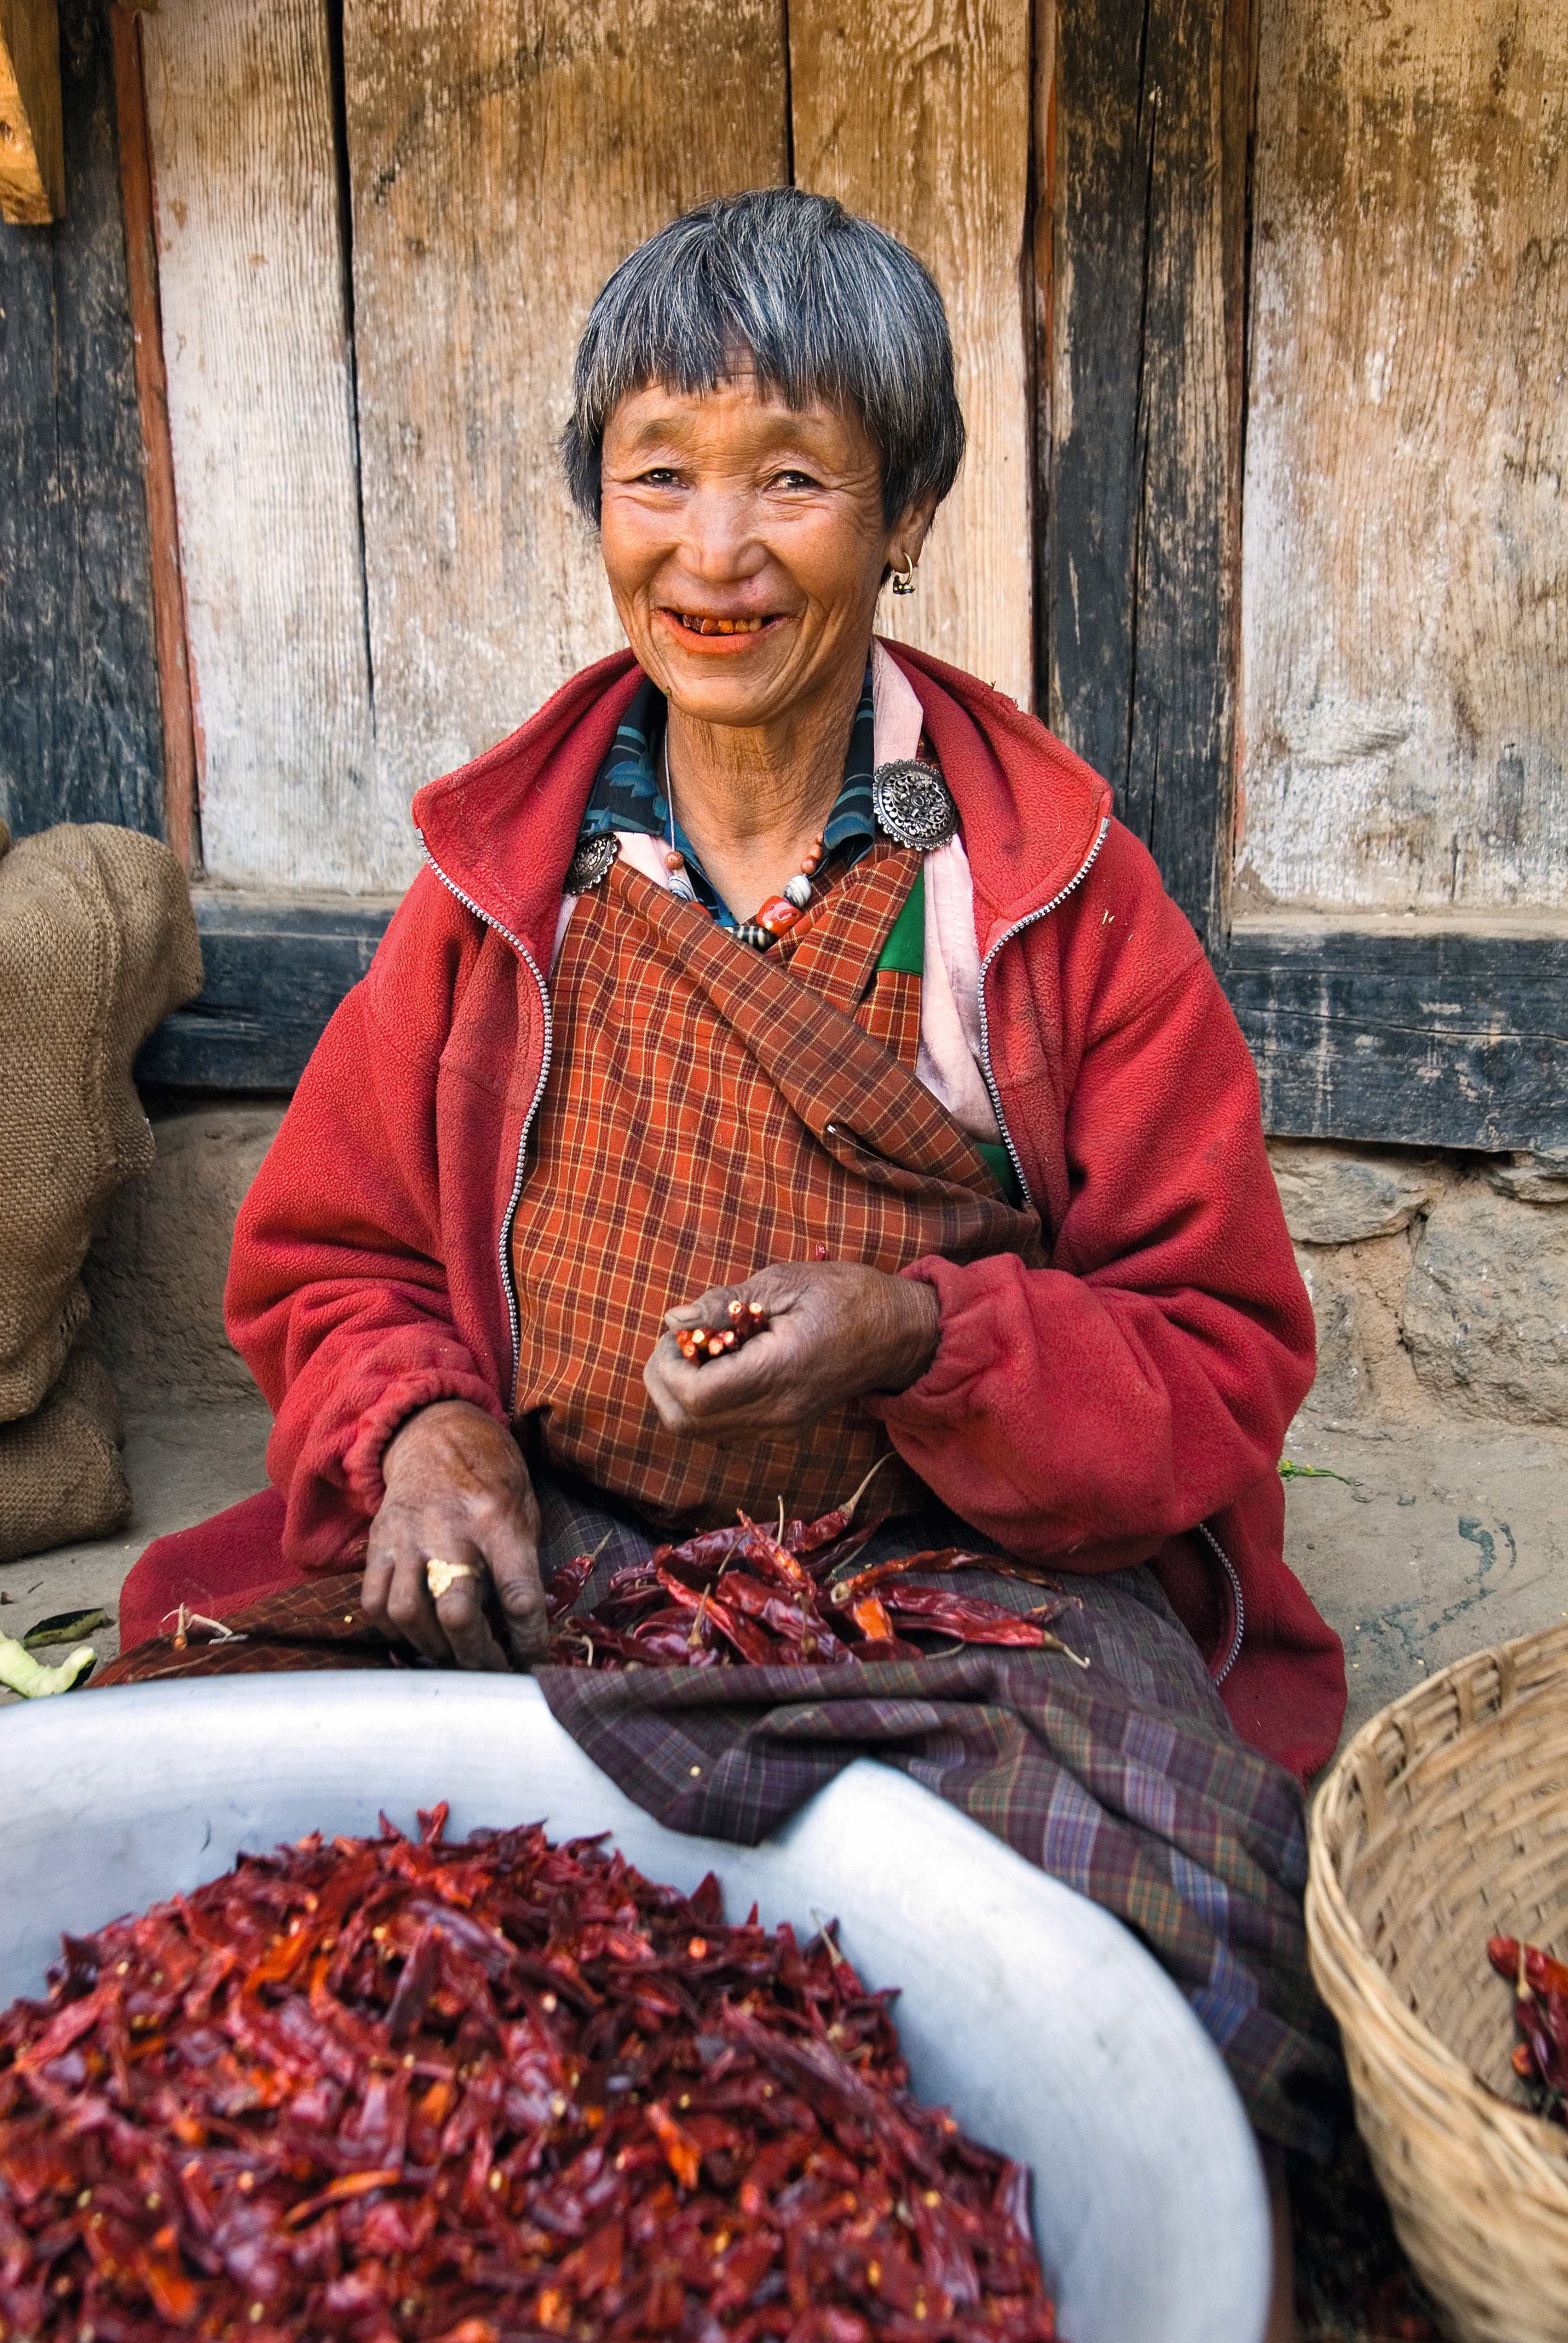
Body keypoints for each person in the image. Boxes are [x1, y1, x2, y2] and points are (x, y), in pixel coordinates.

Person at [115, 190, 1344, 2319]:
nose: (712, 551)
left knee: (1224, 1976)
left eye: (791, 479)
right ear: (592, 500)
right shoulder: (513, 878)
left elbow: (1216, 1346)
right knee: (214, 1878)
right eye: (654, 474)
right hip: (578, 1545)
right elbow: (331, 1254)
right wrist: (419, 1432)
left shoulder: (1038, 898)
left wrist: (917, 1336)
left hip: (953, 1582)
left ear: (908, 509)